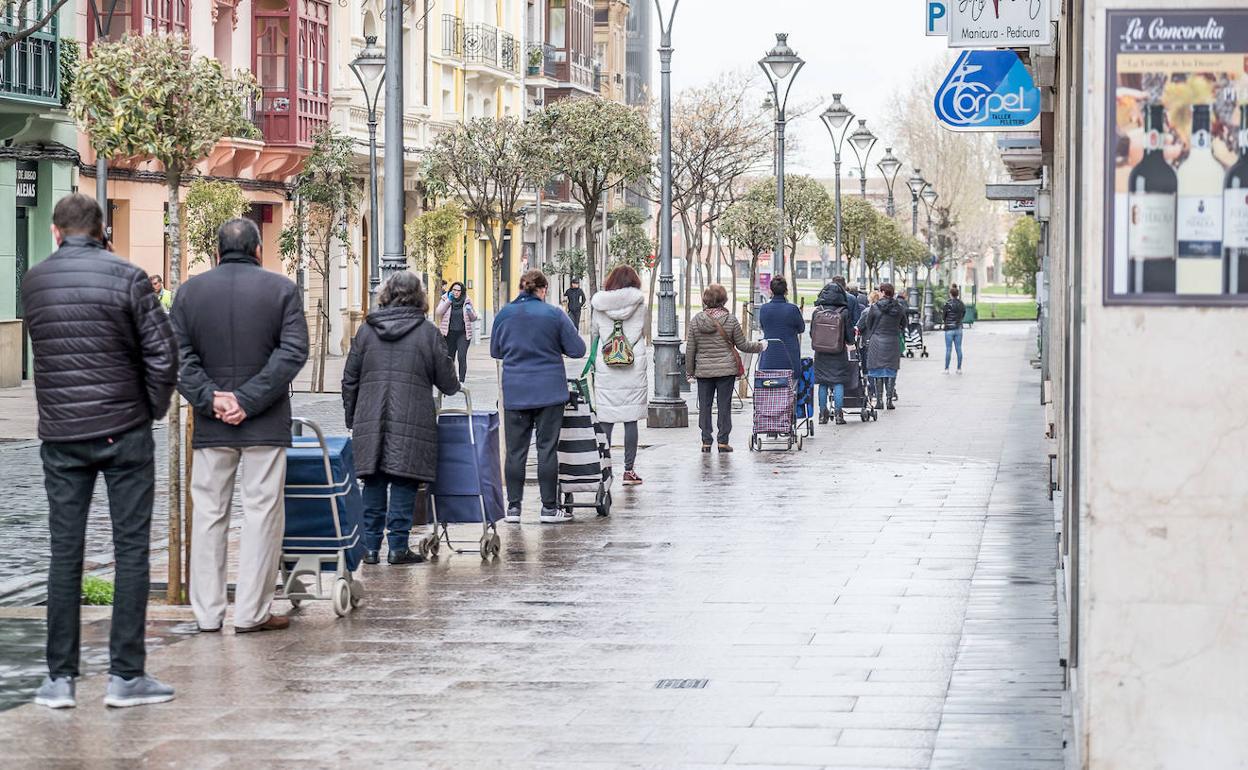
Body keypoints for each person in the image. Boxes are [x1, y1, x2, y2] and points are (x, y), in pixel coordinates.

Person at [23, 193, 179, 709]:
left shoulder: (35, 281)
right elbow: (163, 354)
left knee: (64, 553)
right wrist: (148, 410)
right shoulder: (129, 278)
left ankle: (59, 680)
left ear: (55, 231)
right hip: (123, 430)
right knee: (131, 549)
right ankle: (125, 676)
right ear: (102, 229)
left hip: (62, 436)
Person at [172, 218, 309, 635]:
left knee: (209, 515)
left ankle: (207, 613)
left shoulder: (189, 292)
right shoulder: (282, 290)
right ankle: (251, 611)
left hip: (211, 425)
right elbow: (293, 352)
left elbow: (176, 356)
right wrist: (248, 401)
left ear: (216, 252)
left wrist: (212, 398)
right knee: (262, 514)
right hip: (264, 422)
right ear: (258, 251)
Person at [343, 272, 460, 564]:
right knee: (405, 481)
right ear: (419, 296)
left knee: (373, 482)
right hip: (413, 417)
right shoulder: (428, 332)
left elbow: (349, 379)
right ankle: (397, 547)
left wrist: (353, 417)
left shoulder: (367, 331)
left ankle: (370, 548)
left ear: (386, 294)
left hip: (370, 417)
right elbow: (448, 382)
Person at [492, 269, 586, 523]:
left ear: (522, 289)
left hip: (515, 391)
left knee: (515, 451)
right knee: (546, 449)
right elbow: (578, 350)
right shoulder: (554, 314)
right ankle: (548, 508)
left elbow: (495, 351)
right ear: (542, 290)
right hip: (549, 392)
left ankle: (513, 509)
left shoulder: (504, 314)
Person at [686, 284, 765, 453]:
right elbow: (743, 345)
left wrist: (690, 371)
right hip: (726, 371)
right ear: (723, 300)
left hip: (704, 371)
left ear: (706, 299)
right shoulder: (730, 320)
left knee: (705, 406)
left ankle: (706, 441)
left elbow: (690, 349)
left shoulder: (696, 320)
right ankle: (723, 441)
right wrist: (760, 346)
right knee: (724, 405)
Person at [589, 265, 648, 486]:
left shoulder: (599, 304)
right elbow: (642, 330)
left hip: (607, 365)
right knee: (630, 419)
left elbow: (595, 332)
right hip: (632, 364)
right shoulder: (639, 304)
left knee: (606, 417)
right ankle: (629, 470)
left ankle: (604, 469)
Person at [811, 282, 858, 425]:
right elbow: (850, 336)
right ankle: (838, 414)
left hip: (821, 353)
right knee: (838, 382)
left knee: (822, 383)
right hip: (838, 352)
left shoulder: (817, 311)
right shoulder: (843, 312)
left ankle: (822, 414)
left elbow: (812, 333)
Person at [856, 282, 905, 411]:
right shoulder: (899, 308)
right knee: (891, 369)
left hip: (877, 340)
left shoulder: (875, 307)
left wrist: (876, 333)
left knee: (877, 370)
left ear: (883, 292)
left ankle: (879, 401)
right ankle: (889, 400)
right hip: (893, 340)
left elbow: (868, 324)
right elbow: (904, 324)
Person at [756, 275, 806, 385]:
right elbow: (801, 328)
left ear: (771, 291)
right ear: (786, 291)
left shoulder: (764, 309)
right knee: (790, 391)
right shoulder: (792, 309)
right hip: (789, 359)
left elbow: (763, 327)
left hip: (768, 358)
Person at [436, 281, 478, 382]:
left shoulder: (467, 300)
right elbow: (438, 312)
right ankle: (450, 380)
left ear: (462, 292)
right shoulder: (445, 298)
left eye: (458, 291)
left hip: (463, 334)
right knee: (450, 358)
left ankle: (462, 381)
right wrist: (448, 301)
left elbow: (474, 318)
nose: (456, 292)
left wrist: (469, 311)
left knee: (461, 356)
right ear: (451, 290)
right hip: (449, 334)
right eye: (454, 290)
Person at [943, 284, 967, 374]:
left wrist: (947, 321)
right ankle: (959, 368)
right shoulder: (961, 304)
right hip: (958, 328)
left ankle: (946, 369)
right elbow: (963, 313)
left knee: (948, 349)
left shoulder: (947, 304)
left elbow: (943, 316)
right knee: (959, 348)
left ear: (950, 294)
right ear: (957, 294)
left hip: (949, 329)